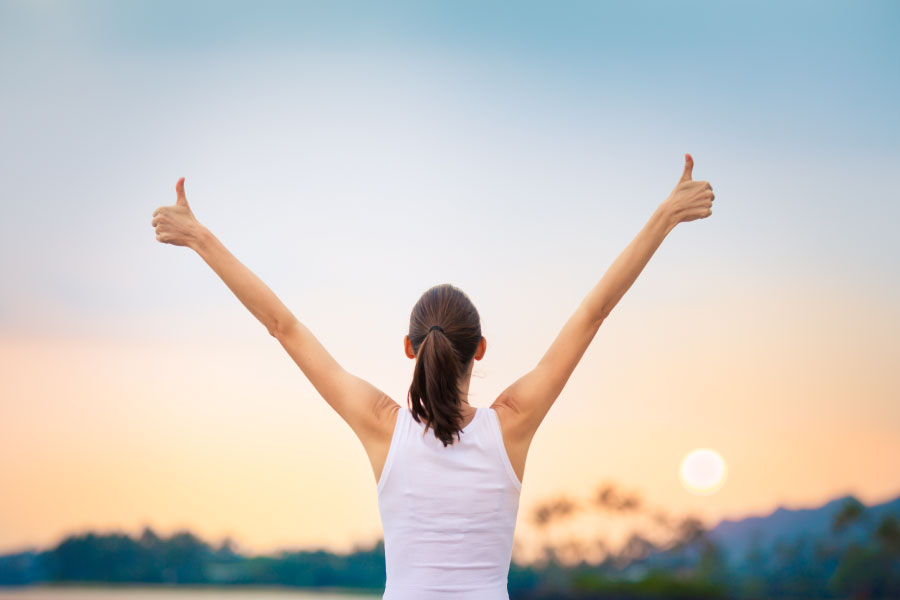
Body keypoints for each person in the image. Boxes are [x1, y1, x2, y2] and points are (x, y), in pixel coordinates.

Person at [150, 153, 714, 599]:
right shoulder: (511, 425)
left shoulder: (382, 427)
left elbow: (283, 325)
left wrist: (200, 238)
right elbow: (593, 315)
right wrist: (665, 216)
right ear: (481, 350)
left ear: (409, 348)